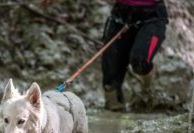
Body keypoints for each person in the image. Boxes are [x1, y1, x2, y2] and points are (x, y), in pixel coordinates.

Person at [40, 0, 169, 111]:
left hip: (153, 17)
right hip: (121, 14)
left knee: (140, 62)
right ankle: (114, 111)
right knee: (110, 79)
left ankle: (148, 89)